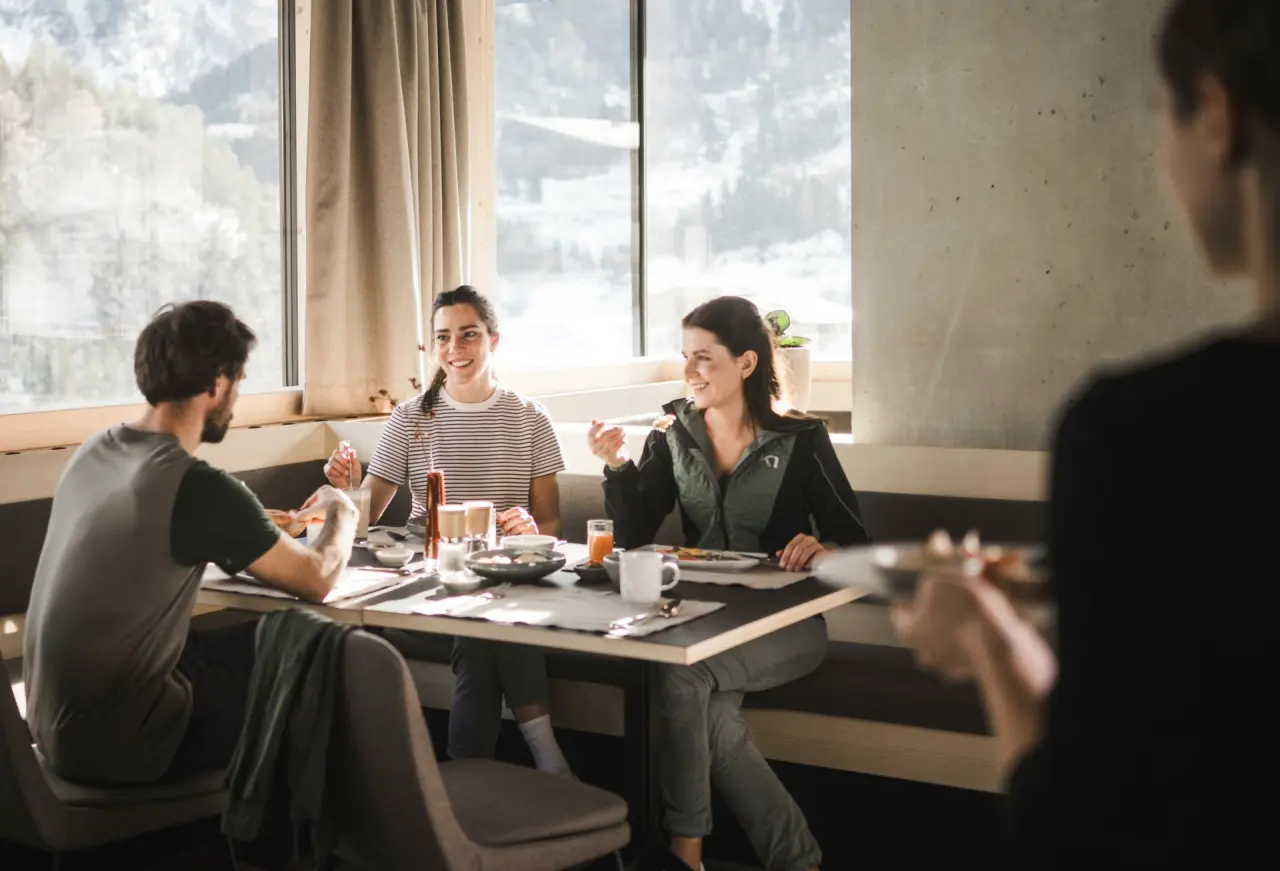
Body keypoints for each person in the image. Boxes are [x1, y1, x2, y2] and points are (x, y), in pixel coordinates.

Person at [892, 0, 1280, 865]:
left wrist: (989, 635)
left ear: (1218, 118)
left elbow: (1081, 823)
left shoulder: (1146, 440)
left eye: (1162, 120)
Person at [588, 295, 870, 871]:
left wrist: (825, 547)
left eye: (703, 359)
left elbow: (857, 541)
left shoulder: (801, 438)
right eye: (685, 357)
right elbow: (634, 530)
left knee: (679, 681)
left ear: (745, 363)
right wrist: (616, 466)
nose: (689, 372)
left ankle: (684, 856)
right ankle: (798, 860)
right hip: (704, 622)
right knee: (712, 718)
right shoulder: (672, 433)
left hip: (787, 627)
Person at [23, 301, 358, 786]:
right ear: (216, 382)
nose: (237, 397)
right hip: (119, 742)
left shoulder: (95, 450)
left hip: (52, 724)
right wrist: (344, 504)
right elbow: (318, 579)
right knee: (326, 656)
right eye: (239, 382)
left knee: (260, 642)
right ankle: (289, 844)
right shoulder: (195, 486)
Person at [321, 285, 572, 776]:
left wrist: (530, 527)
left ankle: (466, 784)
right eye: (444, 337)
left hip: (504, 571)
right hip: (428, 571)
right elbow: (367, 513)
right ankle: (549, 761)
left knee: (484, 625)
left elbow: (553, 523)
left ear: (493, 341)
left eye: (468, 335)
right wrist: (347, 487)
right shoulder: (411, 417)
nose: (455, 349)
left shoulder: (529, 417)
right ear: (433, 347)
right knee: (479, 626)